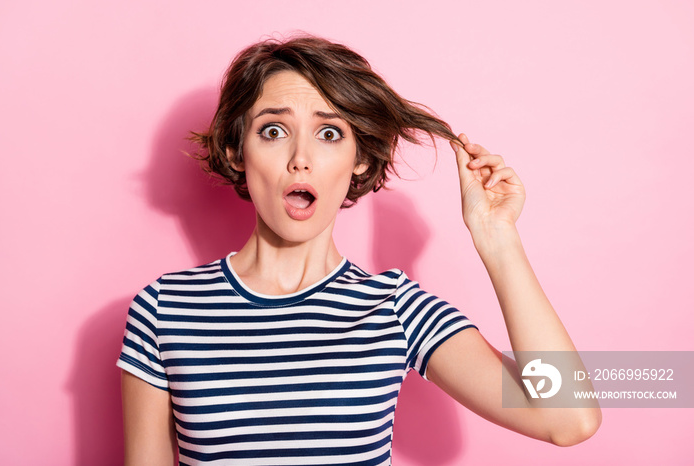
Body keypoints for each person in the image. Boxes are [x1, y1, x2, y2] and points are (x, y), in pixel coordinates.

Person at [117, 35, 601, 465]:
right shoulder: (165, 309)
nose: (300, 160)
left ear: (359, 158)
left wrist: (497, 239)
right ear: (236, 150)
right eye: (273, 131)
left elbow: (568, 418)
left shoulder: (395, 308)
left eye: (329, 134)